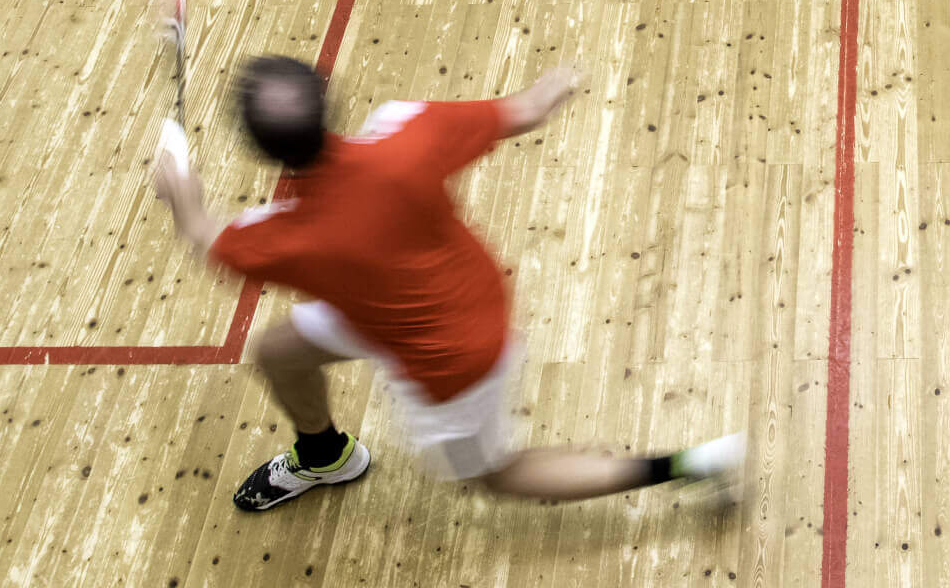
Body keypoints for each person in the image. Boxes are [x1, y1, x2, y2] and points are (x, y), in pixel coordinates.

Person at [149, 54, 744, 511]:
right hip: (420, 297)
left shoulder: (282, 237)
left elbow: (206, 235)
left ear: (260, 151)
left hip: (453, 361)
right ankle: (326, 457)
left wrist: (179, 187)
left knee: (495, 476)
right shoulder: (406, 130)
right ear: (327, 98)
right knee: (279, 353)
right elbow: (526, 110)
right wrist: (556, 83)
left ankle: (684, 465)